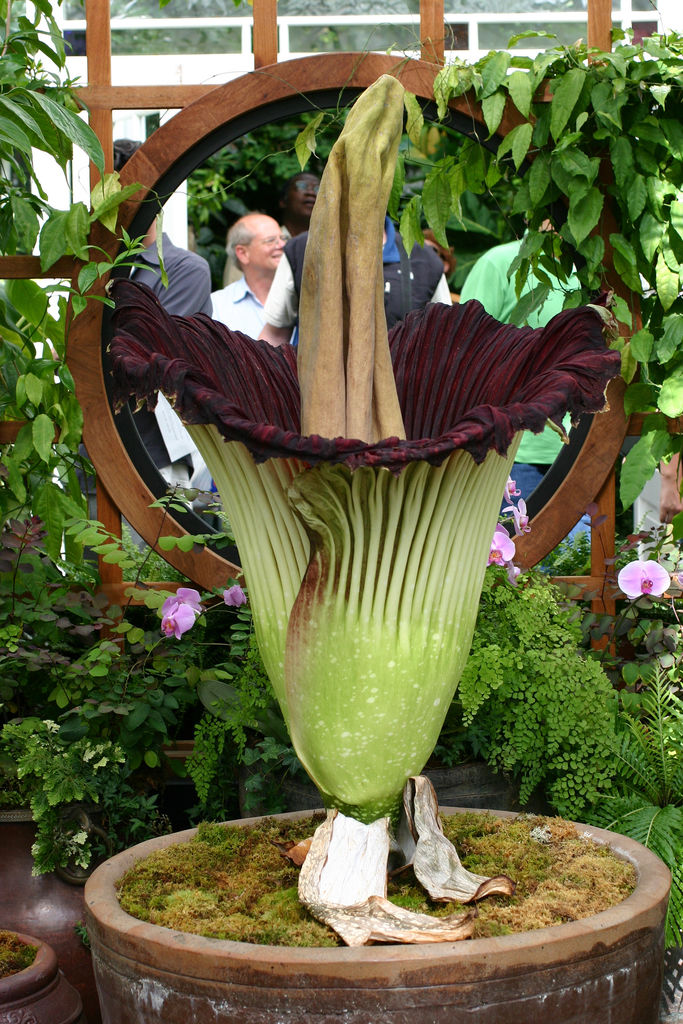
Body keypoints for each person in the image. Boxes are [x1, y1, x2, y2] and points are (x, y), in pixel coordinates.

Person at [114, 138, 212, 487]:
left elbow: (144, 357)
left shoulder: (185, 271)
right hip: (90, 455)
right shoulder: (90, 271)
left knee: (158, 542)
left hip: (155, 458)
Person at [459, 233, 579, 502]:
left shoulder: (588, 271)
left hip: (579, 453)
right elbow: (461, 353)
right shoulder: (499, 263)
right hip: (511, 455)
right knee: (516, 542)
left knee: (579, 545)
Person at [259, 216, 451, 347]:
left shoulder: (423, 259)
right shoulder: (304, 248)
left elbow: (442, 339)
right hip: (317, 397)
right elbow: (275, 333)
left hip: (399, 396)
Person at [210, 213, 286, 337]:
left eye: (283, 238)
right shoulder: (218, 306)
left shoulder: (302, 297)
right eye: (271, 240)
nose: (282, 245)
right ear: (243, 253)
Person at [278, 172, 320, 238]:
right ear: (283, 201)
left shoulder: (333, 243)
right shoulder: (269, 240)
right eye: (302, 186)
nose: (311, 192)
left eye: (318, 189)